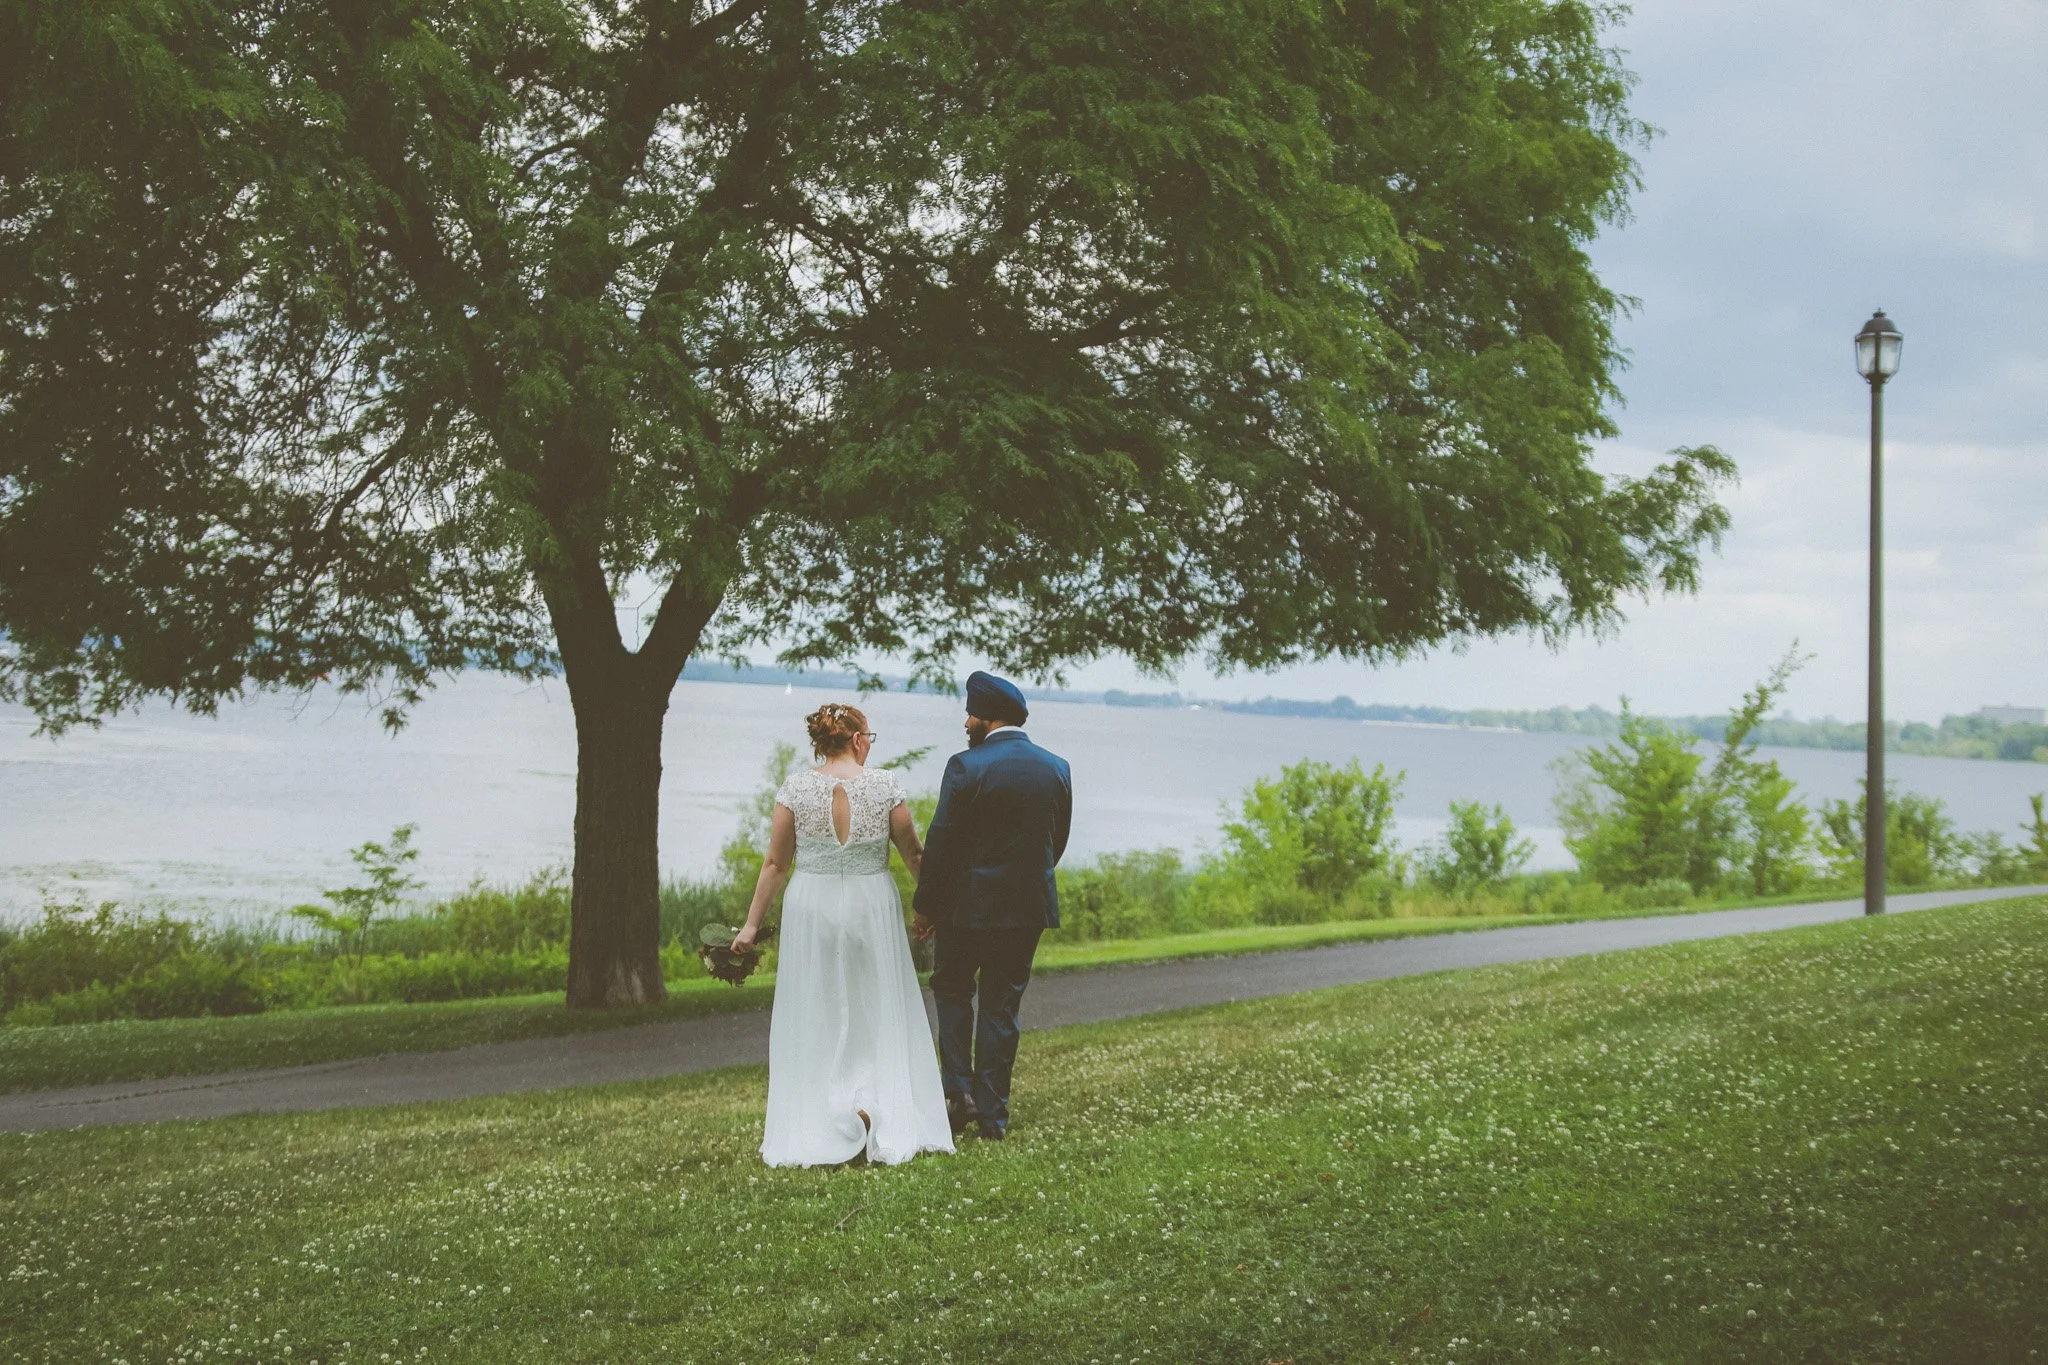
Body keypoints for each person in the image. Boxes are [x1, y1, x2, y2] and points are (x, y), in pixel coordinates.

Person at [732, 702, 953, 1166]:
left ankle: (824, 1116)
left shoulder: (796, 788)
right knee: (877, 1003)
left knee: (818, 1005)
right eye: (869, 737)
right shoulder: (885, 786)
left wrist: (751, 925)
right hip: (870, 905)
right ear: (856, 739)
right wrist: (931, 906)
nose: (870, 745)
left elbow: (775, 864)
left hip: (813, 907)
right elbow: (914, 854)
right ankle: (873, 1105)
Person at [913, 671, 1072, 1141]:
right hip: (1027, 908)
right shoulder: (1057, 767)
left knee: (953, 990)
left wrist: (927, 907)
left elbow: (941, 843)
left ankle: (958, 1093)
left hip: (965, 909)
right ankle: (993, 1116)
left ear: (987, 717)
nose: (966, 722)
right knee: (1002, 1006)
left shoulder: (966, 766)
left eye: (971, 714)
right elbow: (1056, 841)